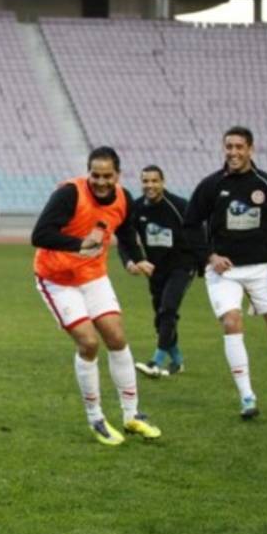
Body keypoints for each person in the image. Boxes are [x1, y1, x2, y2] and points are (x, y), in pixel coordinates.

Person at [31, 146, 162, 446]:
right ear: (88, 173)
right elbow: (39, 235)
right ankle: (96, 418)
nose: (101, 182)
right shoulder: (69, 195)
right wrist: (79, 244)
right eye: (95, 175)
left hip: (93, 277)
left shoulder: (124, 197)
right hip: (57, 279)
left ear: (118, 175)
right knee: (89, 343)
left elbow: (125, 232)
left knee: (116, 337)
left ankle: (132, 415)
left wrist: (137, 259)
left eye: (107, 176)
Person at [183, 126, 267, 421]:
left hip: (262, 268)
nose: (234, 152)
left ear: (251, 149)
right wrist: (210, 257)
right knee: (232, 321)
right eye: (229, 146)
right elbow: (190, 225)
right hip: (224, 271)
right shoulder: (211, 185)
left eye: (239, 147)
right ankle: (247, 396)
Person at [118, 165, 197, 377]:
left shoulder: (179, 206)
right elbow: (124, 239)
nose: (150, 185)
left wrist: (203, 261)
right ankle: (178, 361)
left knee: (168, 309)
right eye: (146, 181)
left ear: (163, 182)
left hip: (182, 266)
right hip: (155, 270)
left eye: (154, 181)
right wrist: (129, 262)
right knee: (161, 319)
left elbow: (199, 232)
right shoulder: (136, 208)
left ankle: (156, 362)